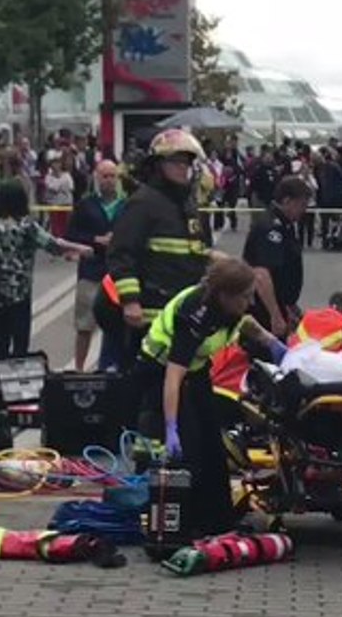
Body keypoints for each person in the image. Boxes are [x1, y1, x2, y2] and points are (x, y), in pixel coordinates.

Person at [136, 256, 286, 536]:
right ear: (225, 296)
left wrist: (271, 343)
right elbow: (173, 376)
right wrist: (172, 428)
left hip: (195, 370)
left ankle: (220, 521)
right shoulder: (196, 315)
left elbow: (245, 321)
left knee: (213, 446)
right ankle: (189, 525)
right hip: (160, 372)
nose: (250, 301)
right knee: (192, 448)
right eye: (245, 296)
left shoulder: (230, 305)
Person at [105, 129, 212, 368]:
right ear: (158, 165)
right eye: (176, 162)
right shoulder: (143, 203)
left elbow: (199, 251)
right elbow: (121, 254)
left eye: (186, 163)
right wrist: (130, 301)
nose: (182, 168)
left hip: (184, 313)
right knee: (147, 386)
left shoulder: (188, 205)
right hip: (151, 315)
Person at [0, 182, 92, 366]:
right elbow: (52, 244)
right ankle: (16, 383)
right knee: (20, 343)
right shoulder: (26, 225)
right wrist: (79, 248)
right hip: (20, 292)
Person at [67, 160, 127, 372]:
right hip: (91, 271)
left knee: (117, 327)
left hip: (118, 273)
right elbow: (71, 235)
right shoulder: (85, 205)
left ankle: (113, 367)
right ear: (96, 178)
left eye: (112, 176)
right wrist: (94, 239)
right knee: (84, 325)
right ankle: (79, 368)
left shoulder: (126, 205)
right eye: (105, 176)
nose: (109, 181)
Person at [243, 176, 311, 338]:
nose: (304, 210)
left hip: (280, 303)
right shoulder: (271, 229)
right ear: (287, 201)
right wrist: (275, 315)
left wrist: (290, 305)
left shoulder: (285, 225)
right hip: (263, 308)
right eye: (301, 205)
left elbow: (282, 273)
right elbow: (261, 274)